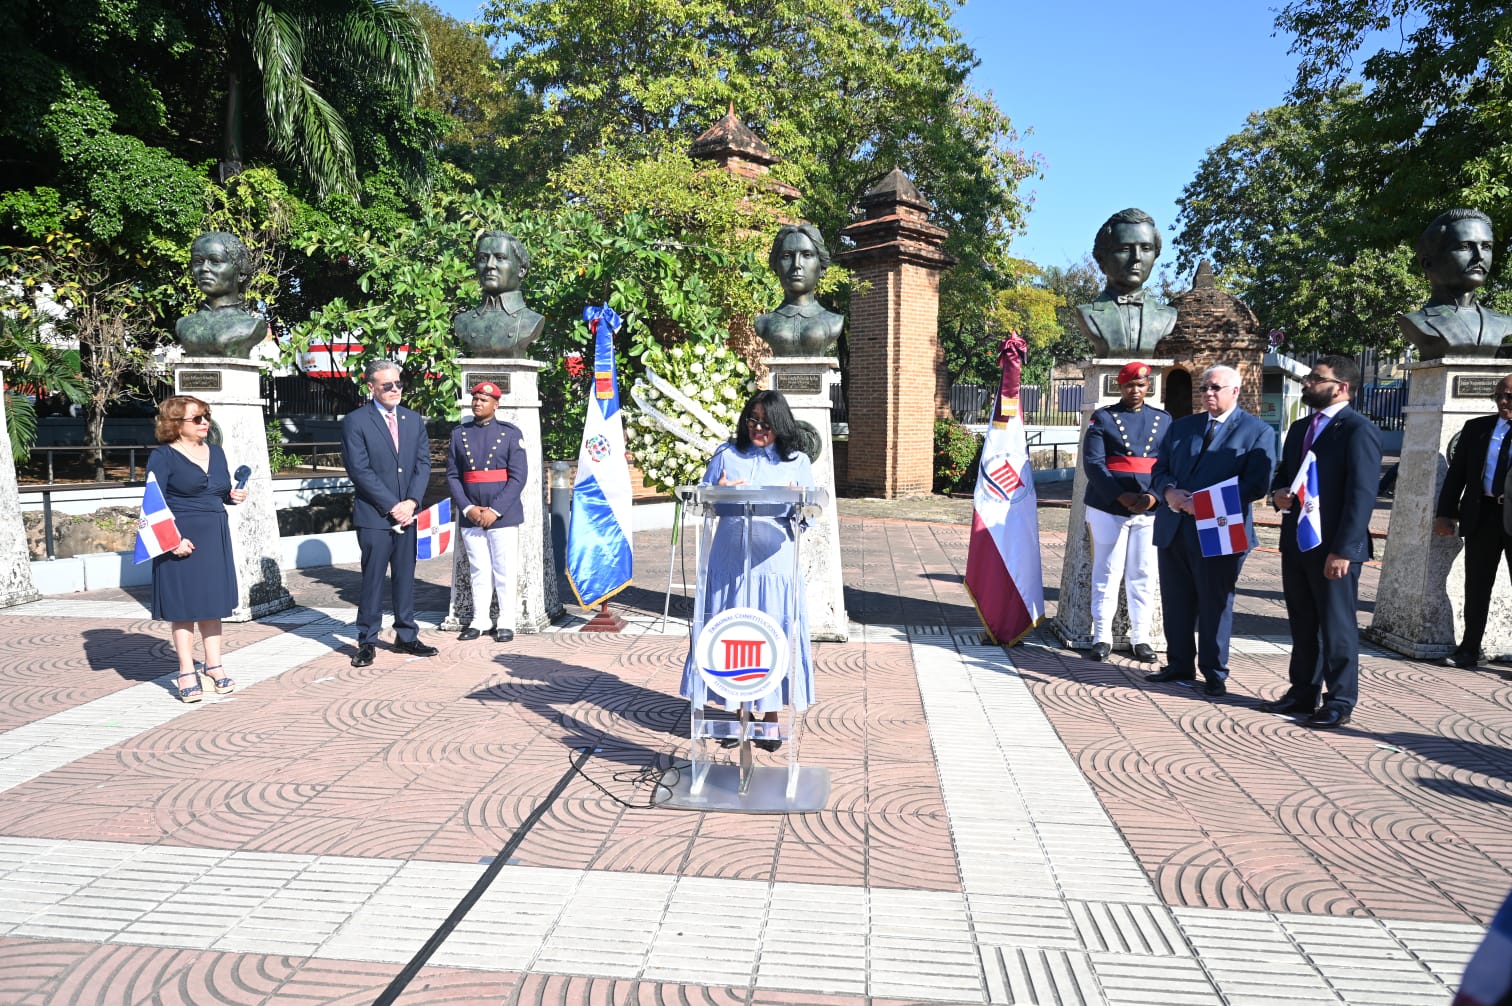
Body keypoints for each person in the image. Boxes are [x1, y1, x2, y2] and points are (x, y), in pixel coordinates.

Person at [680, 390, 815, 751]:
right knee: (732, 634)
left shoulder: (797, 461)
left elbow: (809, 517)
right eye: (752, 421)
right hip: (728, 564)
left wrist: (797, 502)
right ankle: (736, 711)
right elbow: (700, 499)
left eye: (766, 423)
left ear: (780, 425)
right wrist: (715, 491)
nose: (758, 428)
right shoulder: (727, 455)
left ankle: (769, 717)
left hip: (773, 566)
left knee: (769, 635)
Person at [1265, 356, 1382, 727]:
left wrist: (1344, 550)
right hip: (1297, 540)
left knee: (1336, 625)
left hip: (1334, 546)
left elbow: (1361, 495)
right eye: (1308, 377)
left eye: (1316, 378)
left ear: (1342, 387)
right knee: (1302, 621)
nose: (1307, 383)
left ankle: (1340, 700)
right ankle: (1303, 691)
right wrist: (1278, 493)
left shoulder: (1357, 429)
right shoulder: (1300, 428)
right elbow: (1284, 476)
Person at [1146, 365, 1276, 696]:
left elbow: (1257, 485)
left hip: (1220, 528)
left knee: (1214, 602)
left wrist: (1203, 504)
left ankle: (1214, 671)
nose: (1207, 393)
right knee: (1176, 599)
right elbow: (1159, 469)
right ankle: (1179, 663)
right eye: (1204, 387)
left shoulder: (1257, 431)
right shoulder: (1182, 427)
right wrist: (1168, 492)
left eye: (1215, 388)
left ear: (1235, 390)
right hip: (1174, 526)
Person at [147, 396, 248, 702]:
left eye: (206, 417)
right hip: (179, 538)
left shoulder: (216, 453)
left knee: (212, 604)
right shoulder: (162, 456)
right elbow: (152, 502)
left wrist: (233, 496)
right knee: (184, 608)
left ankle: (214, 665)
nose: (205, 423)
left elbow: (217, 491)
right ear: (175, 424)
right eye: (198, 419)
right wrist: (171, 541)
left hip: (214, 535)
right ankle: (186, 670)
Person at [340, 359, 438, 667]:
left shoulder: (412, 419)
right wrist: (391, 505)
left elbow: (423, 464)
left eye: (398, 383)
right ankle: (367, 639)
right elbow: (359, 469)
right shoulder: (356, 421)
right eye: (387, 385)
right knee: (373, 578)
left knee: (405, 576)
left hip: (407, 514)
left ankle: (406, 635)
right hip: (375, 515)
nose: (395, 389)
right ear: (372, 388)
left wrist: (411, 501)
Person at [1081, 361, 1169, 661]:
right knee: (1107, 571)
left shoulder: (1163, 420)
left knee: (1143, 573)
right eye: (1130, 385)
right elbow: (1094, 464)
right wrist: (1120, 496)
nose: (1136, 390)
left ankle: (1140, 637)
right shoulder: (1103, 418)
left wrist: (1154, 497)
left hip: (1148, 508)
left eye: (1141, 385)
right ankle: (1102, 635)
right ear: (1121, 386)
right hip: (1109, 506)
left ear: (1148, 387)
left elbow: (1169, 466)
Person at [1433, 374, 1512, 668]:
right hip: (1484, 515)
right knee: (1477, 586)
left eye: (1509, 397)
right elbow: (1457, 476)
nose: (1503, 402)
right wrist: (1445, 513)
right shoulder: (1477, 428)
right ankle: (1468, 649)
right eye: (1499, 396)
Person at [446, 381, 527, 642]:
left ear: (496, 404)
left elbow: (518, 477)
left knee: (504, 568)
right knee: (479, 568)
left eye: (484, 399)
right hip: (472, 513)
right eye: (476, 399)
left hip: (502, 514)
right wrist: (468, 508)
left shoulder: (510, 433)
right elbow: (453, 475)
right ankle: (480, 619)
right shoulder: (459, 434)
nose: (478, 403)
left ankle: (506, 619)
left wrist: (495, 510)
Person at [1398, 209, 1512, 359]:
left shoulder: (1503, 322)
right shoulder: (1417, 321)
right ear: (1428, 262)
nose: (1479, 257)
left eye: (1486, 247)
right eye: (1465, 247)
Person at [1075, 209, 1178, 358]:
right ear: (1101, 258)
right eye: (1124, 248)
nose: (1137, 257)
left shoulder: (1168, 316)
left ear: (1155, 256)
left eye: (1146, 248)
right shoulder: (1088, 314)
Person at [753, 224, 845, 356]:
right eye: (786, 256)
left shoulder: (834, 322)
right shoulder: (764, 323)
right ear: (775, 266)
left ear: (822, 267)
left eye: (807, 255)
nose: (796, 264)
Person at [174, 232, 268, 358]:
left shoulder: (250, 326)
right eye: (198, 261)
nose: (204, 268)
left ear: (240, 274)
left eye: (215, 261)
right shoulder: (183, 325)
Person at [452, 231, 545, 358]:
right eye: (483, 258)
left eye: (500, 258)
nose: (490, 265)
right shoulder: (463, 321)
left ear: (521, 270)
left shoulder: (531, 321)